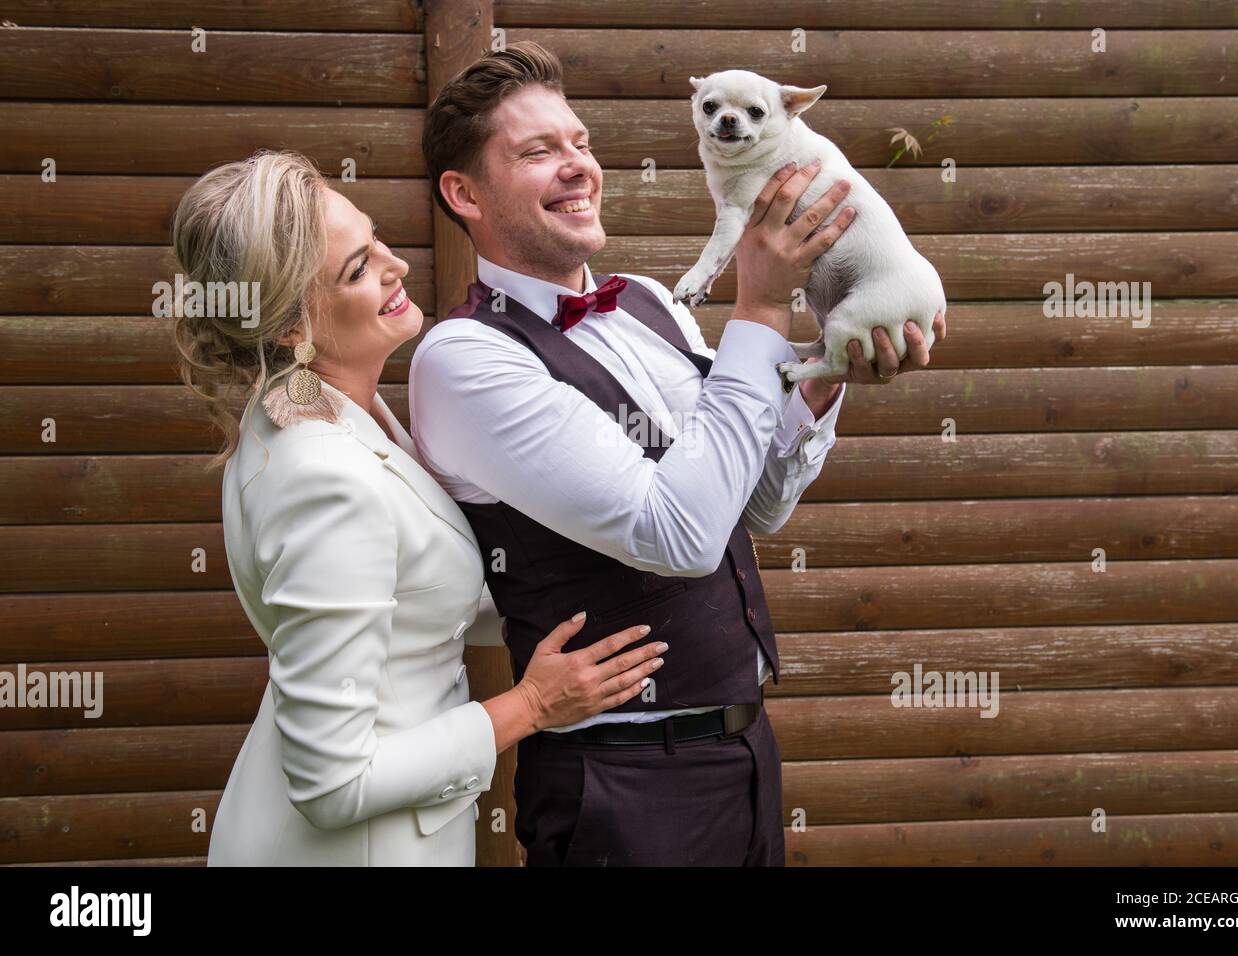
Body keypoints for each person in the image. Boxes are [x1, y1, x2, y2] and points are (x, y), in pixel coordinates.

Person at [412, 42, 946, 866]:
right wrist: (763, 305)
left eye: (581, 143)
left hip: (744, 752)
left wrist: (825, 383)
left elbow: (756, 504)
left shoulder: (652, 306)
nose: (577, 167)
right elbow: (682, 538)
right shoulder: (466, 359)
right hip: (622, 787)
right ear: (463, 193)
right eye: (538, 152)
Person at [171, 149, 667, 866]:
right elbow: (332, 782)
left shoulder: (327, 408)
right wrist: (531, 706)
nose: (394, 265)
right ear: (288, 328)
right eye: (356, 269)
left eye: (373, 241)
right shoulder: (321, 478)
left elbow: (411, 591)